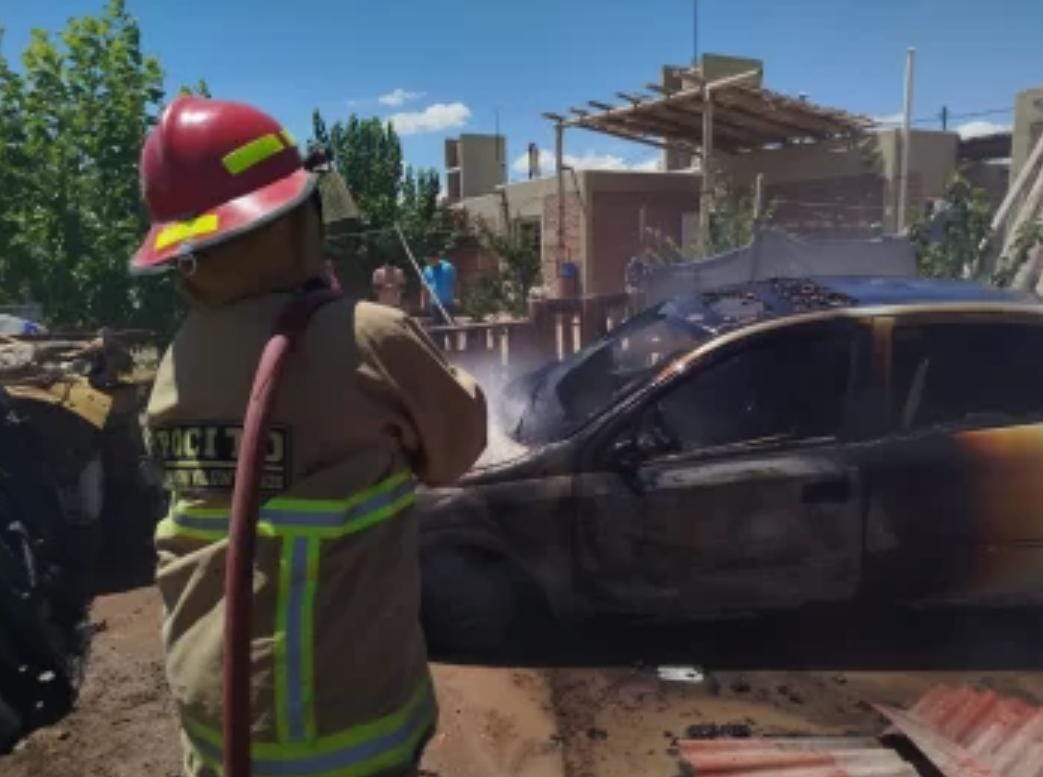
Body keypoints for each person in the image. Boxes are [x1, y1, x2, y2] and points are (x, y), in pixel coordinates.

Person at [131, 96, 487, 777]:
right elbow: (457, 451)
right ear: (294, 219)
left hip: (213, 728)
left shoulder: (179, 357)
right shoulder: (366, 334)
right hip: (349, 733)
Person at [420, 255, 457, 323]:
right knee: (437, 325)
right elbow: (424, 287)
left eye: (430, 260)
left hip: (448, 303)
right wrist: (423, 301)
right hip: (434, 304)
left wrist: (456, 297)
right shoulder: (427, 270)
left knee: (449, 325)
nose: (429, 262)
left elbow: (455, 283)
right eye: (428, 261)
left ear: (436, 258)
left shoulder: (448, 267)